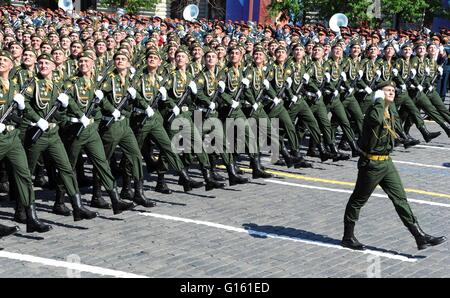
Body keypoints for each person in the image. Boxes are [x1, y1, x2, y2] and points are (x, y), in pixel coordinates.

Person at [341, 80, 447, 250]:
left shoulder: (391, 110)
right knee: (357, 201)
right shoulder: (374, 109)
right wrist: (378, 101)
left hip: (386, 162)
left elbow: (397, 128)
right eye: (386, 90)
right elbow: (375, 120)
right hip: (371, 164)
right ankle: (348, 237)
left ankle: (419, 236)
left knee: (400, 199)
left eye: (392, 90)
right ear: (379, 94)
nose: (391, 92)